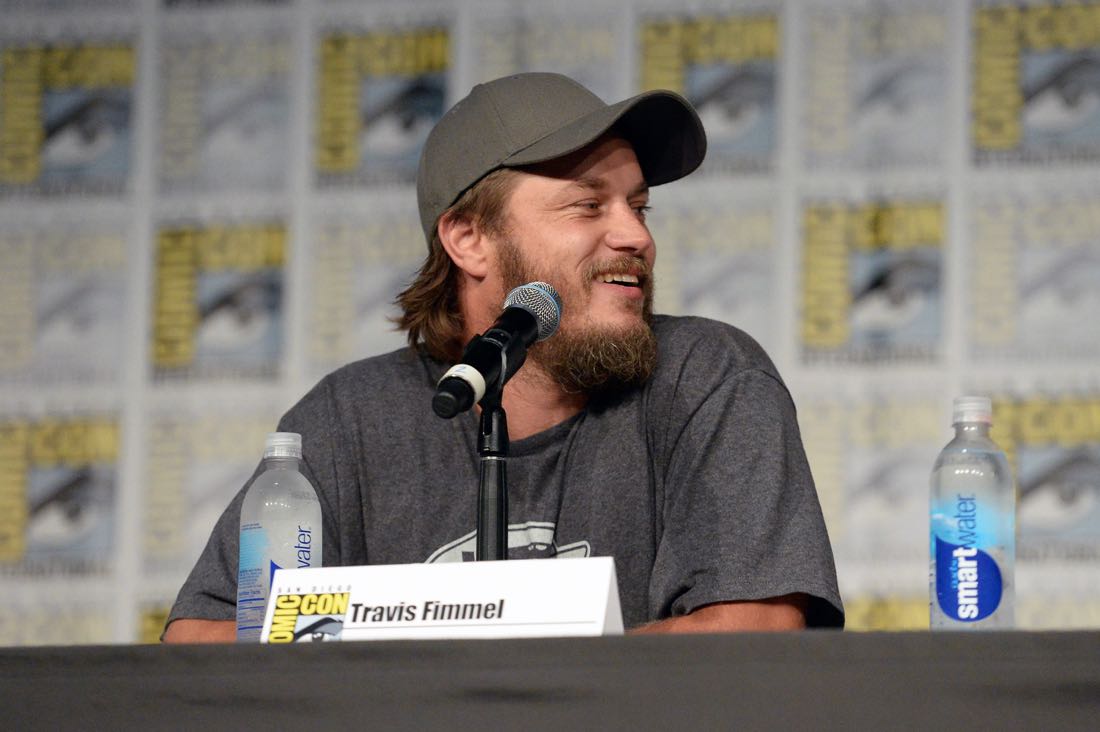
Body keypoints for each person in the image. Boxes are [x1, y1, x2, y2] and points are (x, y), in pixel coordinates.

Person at [164, 72, 843, 643]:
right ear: (468, 238)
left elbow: (750, 630)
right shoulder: (349, 420)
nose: (635, 234)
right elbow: (202, 641)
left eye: (639, 206)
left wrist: (513, 686)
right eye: (587, 206)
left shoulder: (705, 375)